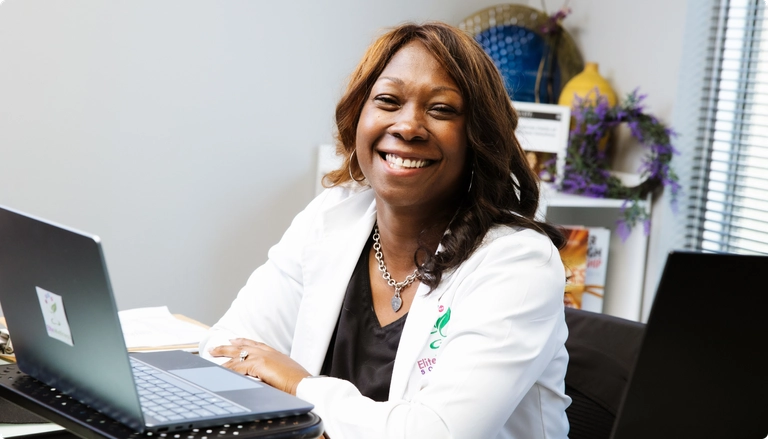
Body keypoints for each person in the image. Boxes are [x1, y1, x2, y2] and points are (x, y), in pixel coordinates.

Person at [201, 21, 570, 439]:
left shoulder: (518, 264)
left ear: (477, 137)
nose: (408, 126)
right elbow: (225, 350)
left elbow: (434, 433)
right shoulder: (331, 218)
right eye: (388, 101)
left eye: (441, 109)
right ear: (359, 116)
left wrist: (297, 384)